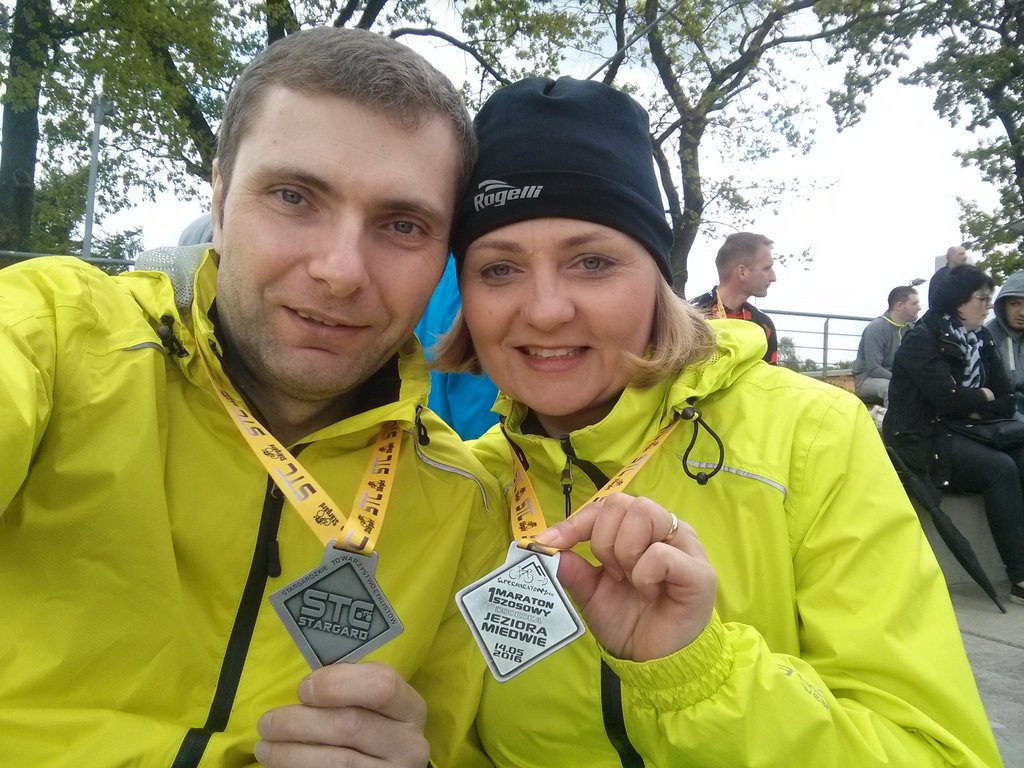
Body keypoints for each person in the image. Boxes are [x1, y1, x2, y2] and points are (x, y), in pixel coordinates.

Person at [436, 76, 1003, 767]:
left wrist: (697, 675)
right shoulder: (468, 485)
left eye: (593, 262)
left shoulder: (811, 436)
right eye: (499, 270)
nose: (546, 309)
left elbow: (938, 753)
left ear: (659, 280)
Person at [0, 27, 505, 767]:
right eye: (294, 197)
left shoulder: (466, 505)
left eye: (402, 225)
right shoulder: (56, 336)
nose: (340, 271)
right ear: (219, 199)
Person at [885, 264, 1024, 607]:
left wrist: (974, 402)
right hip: (921, 439)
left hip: (966, 429)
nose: (988, 307)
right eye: (981, 299)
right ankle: (1019, 575)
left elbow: (1006, 399)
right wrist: (980, 398)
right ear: (957, 301)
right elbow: (946, 400)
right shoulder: (922, 340)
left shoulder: (981, 338)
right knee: (1000, 469)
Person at [415, 254, 500, 439]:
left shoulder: (429, 269)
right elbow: (487, 423)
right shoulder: (484, 283)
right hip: (474, 444)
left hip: (430, 440)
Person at [691, 231, 778, 364]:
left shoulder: (764, 325)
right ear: (742, 272)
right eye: (767, 268)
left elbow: (770, 374)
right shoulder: (690, 316)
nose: (773, 277)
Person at [851, 284, 921, 404]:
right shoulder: (876, 328)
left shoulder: (912, 329)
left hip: (897, 377)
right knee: (893, 388)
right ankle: (893, 417)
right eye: (914, 304)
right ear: (899, 306)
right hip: (867, 379)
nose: (919, 307)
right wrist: (904, 379)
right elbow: (874, 368)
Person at [986, 268, 1024, 413]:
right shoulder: (987, 338)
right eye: (1015, 304)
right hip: (1004, 415)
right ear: (1003, 306)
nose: (1022, 312)